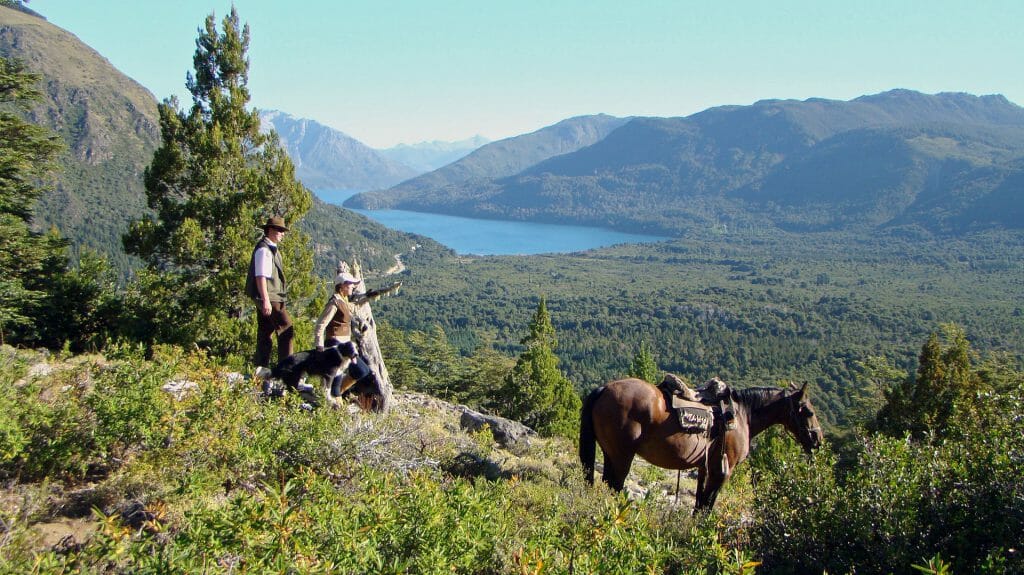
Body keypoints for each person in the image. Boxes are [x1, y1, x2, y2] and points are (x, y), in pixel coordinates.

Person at [246, 216, 294, 377]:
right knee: (286, 330)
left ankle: (260, 370)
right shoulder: (264, 250)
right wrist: (266, 300)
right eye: (280, 230)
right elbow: (261, 276)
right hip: (271, 297)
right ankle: (287, 371)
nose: (283, 234)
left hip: (271, 297)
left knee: (265, 332)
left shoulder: (269, 248)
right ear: (271, 230)